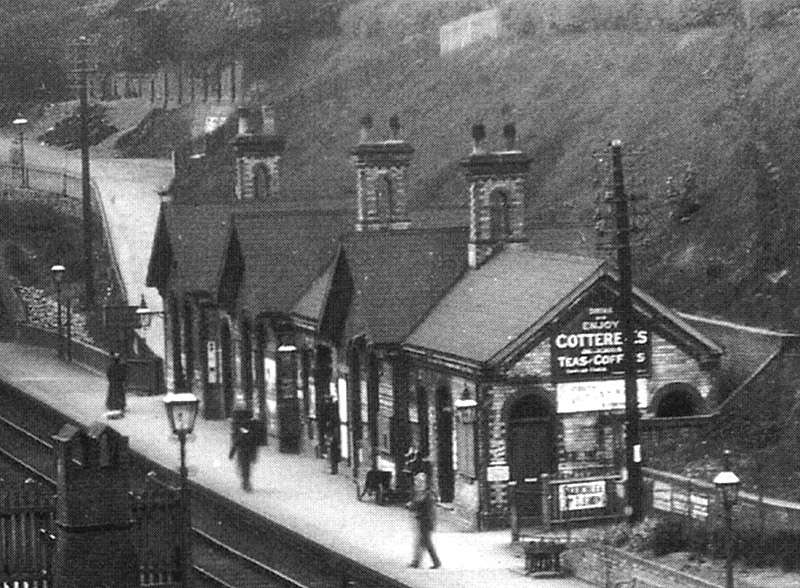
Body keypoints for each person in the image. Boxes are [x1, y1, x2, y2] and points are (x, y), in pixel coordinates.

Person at [408, 471, 441, 569]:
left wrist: (412, 506)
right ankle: (417, 562)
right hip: (422, 520)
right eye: (416, 481)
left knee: (425, 542)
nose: (417, 483)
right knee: (422, 542)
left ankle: (434, 562)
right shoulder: (420, 492)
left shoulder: (427, 494)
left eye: (419, 481)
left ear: (425, 482)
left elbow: (422, 506)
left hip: (426, 521)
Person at [229, 416, 258, 492]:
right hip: (248, 451)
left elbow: (236, 441)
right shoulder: (251, 430)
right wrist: (254, 455)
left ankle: (245, 482)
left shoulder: (241, 430)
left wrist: (232, 453)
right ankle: (246, 482)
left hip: (242, 451)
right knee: (246, 467)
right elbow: (254, 443)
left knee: (244, 467)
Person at [105, 352, 128, 419]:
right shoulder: (121, 367)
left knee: (112, 394)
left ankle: (111, 405)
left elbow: (108, 374)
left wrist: (111, 380)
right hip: (119, 383)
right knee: (120, 394)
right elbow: (124, 375)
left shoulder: (111, 366)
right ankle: (120, 406)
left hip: (113, 383)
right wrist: (122, 381)